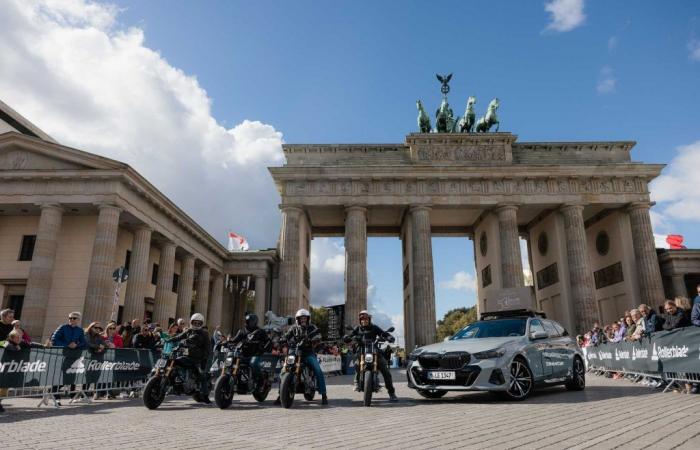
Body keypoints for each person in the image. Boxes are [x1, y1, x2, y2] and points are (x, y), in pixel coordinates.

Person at [274, 309, 328, 405]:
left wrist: (316, 339)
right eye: (301, 318)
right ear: (297, 319)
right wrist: (281, 339)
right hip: (293, 353)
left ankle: (324, 395)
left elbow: (317, 336)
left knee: (318, 370)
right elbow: (287, 336)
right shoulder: (293, 328)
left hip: (307, 353)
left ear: (308, 319)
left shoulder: (312, 328)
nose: (303, 320)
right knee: (283, 371)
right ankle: (280, 395)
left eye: (305, 318)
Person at [344, 310, 398, 401]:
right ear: (360, 321)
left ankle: (391, 392)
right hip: (361, 351)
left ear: (369, 319)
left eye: (365, 319)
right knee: (357, 364)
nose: (364, 321)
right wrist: (347, 338)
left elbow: (383, 333)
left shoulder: (374, 327)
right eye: (362, 319)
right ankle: (357, 381)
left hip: (374, 351)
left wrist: (389, 337)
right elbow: (350, 335)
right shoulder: (357, 328)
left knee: (385, 370)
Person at [167, 313, 212, 403]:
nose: (196, 325)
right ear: (191, 322)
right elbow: (179, 336)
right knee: (172, 363)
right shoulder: (188, 331)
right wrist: (170, 339)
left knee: (201, 376)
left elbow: (207, 349)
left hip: (197, 359)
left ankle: (206, 397)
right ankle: (173, 384)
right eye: (195, 322)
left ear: (201, 324)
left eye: (199, 323)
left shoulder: (204, 334)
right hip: (186, 357)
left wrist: (204, 360)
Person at [227, 314, 272, 380]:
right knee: (232, 361)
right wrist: (227, 342)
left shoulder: (260, 332)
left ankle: (261, 380)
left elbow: (268, 341)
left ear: (254, 322)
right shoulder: (242, 331)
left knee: (253, 363)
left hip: (255, 355)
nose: (247, 323)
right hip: (243, 355)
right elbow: (234, 340)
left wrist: (264, 348)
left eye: (249, 322)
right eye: (246, 321)